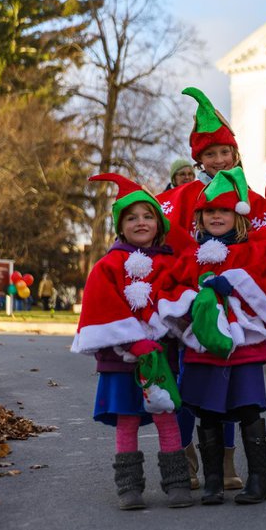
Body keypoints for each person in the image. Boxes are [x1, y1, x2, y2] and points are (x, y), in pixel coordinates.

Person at [158, 87, 266, 490]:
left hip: (235, 309)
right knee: (189, 384)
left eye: (225, 152)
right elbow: (164, 241)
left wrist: (235, 275)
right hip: (189, 308)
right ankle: (187, 455)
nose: (218, 160)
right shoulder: (181, 197)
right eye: (210, 154)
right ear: (198, 159)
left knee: (231, 384)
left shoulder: (253, 200)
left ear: (236, 153)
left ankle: (226, 466)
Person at [70, 173, 192, 510]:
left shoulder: (168, 261)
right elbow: (103, 306)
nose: (141, 222)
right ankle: (129, 487)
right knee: (127, 419)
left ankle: (177, 483)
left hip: (160, 357)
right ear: (120, 226)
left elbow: (178, 295)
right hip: (119, 358)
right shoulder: (108, 266)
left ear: (159, 223)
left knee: (167, 416)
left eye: (148, 215)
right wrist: (133, 342)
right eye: (132, 217)